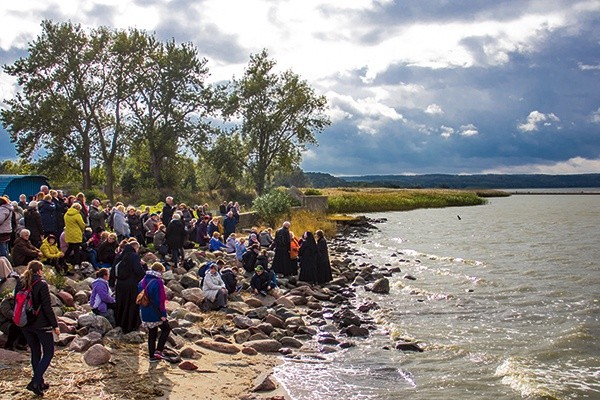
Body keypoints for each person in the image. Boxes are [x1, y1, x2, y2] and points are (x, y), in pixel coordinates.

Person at [18, 260, 59, 396]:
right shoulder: (41, 284)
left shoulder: (20, 283)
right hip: (41, 324)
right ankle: (35, 381)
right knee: (48, 353)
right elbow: (47, 307)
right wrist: (55, 325)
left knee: (35, 352)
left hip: (25, 324)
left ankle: (39, 383)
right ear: (39, 271)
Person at [110, 241, 145, 334]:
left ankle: (119, 323)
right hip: (131, 285)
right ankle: (131, 325)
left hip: (120, 285)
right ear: (135, 248)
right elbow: (138, 271)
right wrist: (144, 267)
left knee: (121, 303)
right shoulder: (134, 256)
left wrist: (112, 284)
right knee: (131, 304)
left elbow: (113, 270)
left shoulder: (119, 256)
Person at [139, 262, 170, 362]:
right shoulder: (157, 282)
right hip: (155, 312)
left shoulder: (143, 280)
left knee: (152, 334)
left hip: (144, 311)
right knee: (166, 329)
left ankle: (152, 356)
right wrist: (163, 314)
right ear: (159, 271)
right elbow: (159, 300)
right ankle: (159, 351)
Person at [63, 203, 86, 267]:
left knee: (70, 248)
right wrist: (83, 230)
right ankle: (77, 264)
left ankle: (64, 259)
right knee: (77, 250)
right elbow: (82, 224)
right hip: (76, 234)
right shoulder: (77, 215)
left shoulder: (66, 214)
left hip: (68, 233)